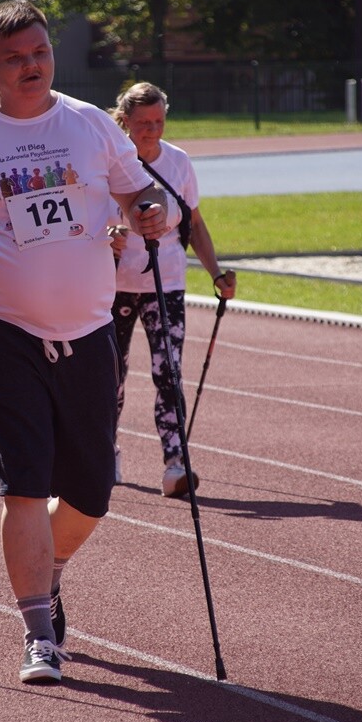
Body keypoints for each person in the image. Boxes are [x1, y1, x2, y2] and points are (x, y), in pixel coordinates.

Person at [0, 2, 176, 685]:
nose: (31, 65)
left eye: (40, 52)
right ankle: (38, 634)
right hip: (3, 330)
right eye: (16, 57)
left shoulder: (89, 125)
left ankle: (46, 572)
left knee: (90, 491)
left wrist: (147, 211)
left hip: (88, 331)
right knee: (23, 483)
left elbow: (139, 192)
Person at [108, 82, 236, 498]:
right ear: (125, 121)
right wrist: (103, 236)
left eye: (159, 122)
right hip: (112, 286)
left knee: (169, 373)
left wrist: (216, 274)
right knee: (110, 376)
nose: (153, 130)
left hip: (167, 285)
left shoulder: (178, 162)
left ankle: (175, 464)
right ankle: (104, 451)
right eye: (144, 123)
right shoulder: (109, 160)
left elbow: (194, 224)